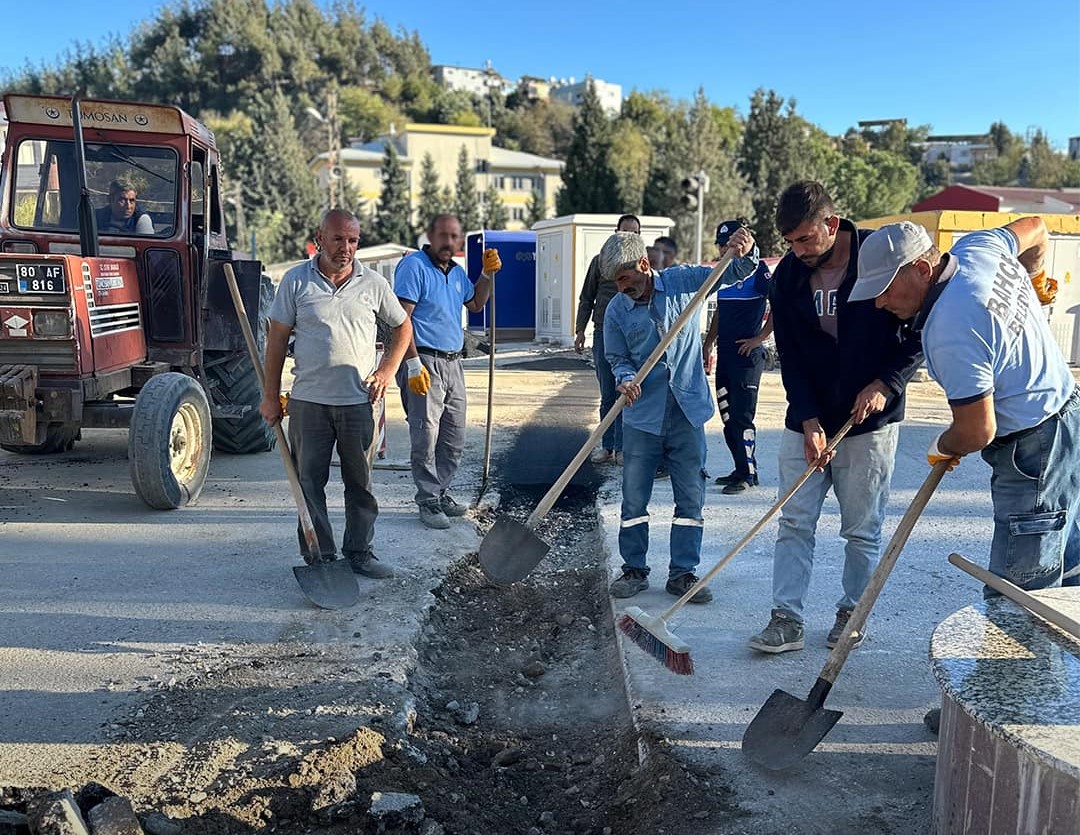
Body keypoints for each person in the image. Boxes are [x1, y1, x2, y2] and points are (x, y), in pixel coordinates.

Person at [850, 217, 1080, 596]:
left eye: (886, 289)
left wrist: (945, 445)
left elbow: (976, 430)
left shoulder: (949, 327)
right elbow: (1036, 230)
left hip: (1033, 455)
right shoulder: (979, 249)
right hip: (1067, 416)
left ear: (922, 269)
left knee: (1019, 599)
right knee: (1068, 577)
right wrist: (1033, 284)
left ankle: (1022, 660)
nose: (879, 302)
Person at [749, 181, 923, 654]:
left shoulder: (881, 255)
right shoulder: (786, 277)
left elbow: (919, 330)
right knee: (795, 522)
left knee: (861, 528)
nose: (797, 250)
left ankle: (852, 613)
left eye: (805, 239)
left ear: (831, 223)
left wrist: (886, 383)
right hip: (808, 417)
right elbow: (790, 354)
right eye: (789, 241)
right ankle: (787, 619)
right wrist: (807, 420)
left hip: (870, 423)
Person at [604, 228, 759, 603]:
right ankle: (634, 569)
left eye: (625, 279)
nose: (622, 287)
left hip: (687, 411)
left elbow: (734, 272)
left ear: (644, 264)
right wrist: (625, 379)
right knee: (634, 499)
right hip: (642, 416)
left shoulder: (683, 283)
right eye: (616, 282)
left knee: (690, 498)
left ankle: (683, 573)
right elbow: (616, 358)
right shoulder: (616, 310)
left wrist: (746, 251)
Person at [260, 209, 412, 578]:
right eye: (339, 239)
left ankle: (359, 552)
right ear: (320, 237)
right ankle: (320, 556)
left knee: (360, 484)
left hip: (358, 402)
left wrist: (387, 371)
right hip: (308, 402)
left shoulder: (373, 284)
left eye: (354, 240)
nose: (346, 248)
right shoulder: (296, 281)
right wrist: (270, 394)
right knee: (309, 483)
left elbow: (403, 327)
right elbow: (277, 341)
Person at [394, 214, 501, 529]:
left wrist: (487, 273)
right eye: (443, 235)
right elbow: (401, 320)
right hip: (424, 361)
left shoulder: (456, 273)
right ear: (430, 235)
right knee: (426, 434)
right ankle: (427, 500)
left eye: (455, 237)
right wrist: (412, 363)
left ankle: (441, 492)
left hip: (454, 362)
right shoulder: (414, 267)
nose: (449, 242)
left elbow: (477, 303)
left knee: (453, 435)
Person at [702, 219, 772, 495]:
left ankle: (748, 473)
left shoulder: (758, 270)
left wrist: (760, 338)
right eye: (721, 245)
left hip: (747, 357)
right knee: (728, 416)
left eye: (728, 244)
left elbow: (779, 303)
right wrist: (709, 342)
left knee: (743, 418)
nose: (724, 250)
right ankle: (737, 467)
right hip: (726, 356)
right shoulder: (724, 272)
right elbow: (719, 311)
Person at [574, 214, 642, 465]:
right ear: (615, 233)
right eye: (624, 232)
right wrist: (580, 330)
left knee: (627, 392)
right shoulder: (599, 262)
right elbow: (586, 298)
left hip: (632, 335)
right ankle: (608, 446)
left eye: (634, 233)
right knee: (607, 394)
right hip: (603, 332)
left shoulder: (641, 266)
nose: (628, 237)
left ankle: (624, 449)